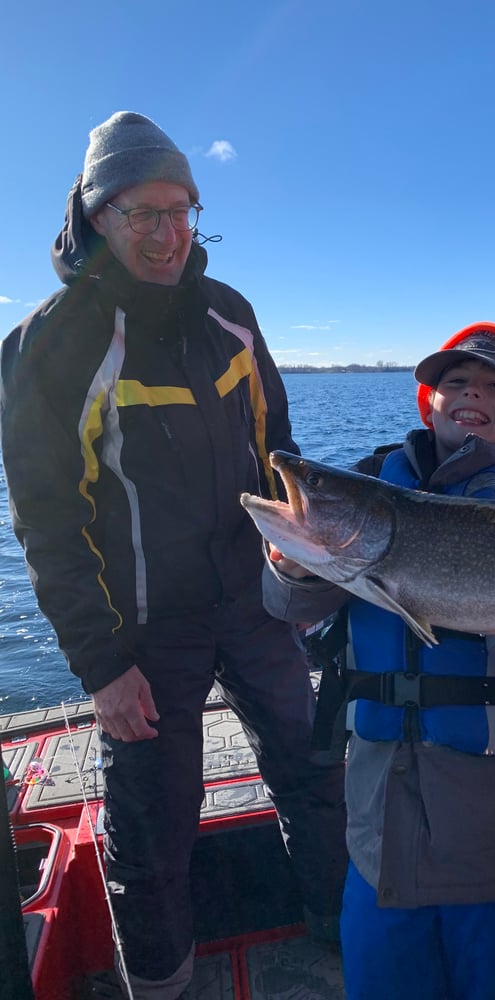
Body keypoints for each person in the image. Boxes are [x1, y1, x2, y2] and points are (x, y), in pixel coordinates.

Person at [0, 112, 346, 999]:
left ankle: (340, 937)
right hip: (145, 631)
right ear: (96, 216)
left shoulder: (231, 312)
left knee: (315, 772)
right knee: (151, 826)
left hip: (255, 599)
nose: (167, 233)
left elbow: (280, 451)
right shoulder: (51, 344)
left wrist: (298, 565)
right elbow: (45, 521)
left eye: (182, 209)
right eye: (142, 213)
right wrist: (103, 666)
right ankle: (161, 985)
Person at [262, 321, 495, 1000]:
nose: (472, 394)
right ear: (427, 401)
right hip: (379, 829)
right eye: (455, 382)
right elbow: (289, 609)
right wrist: (296, 563)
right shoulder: (374, 485)